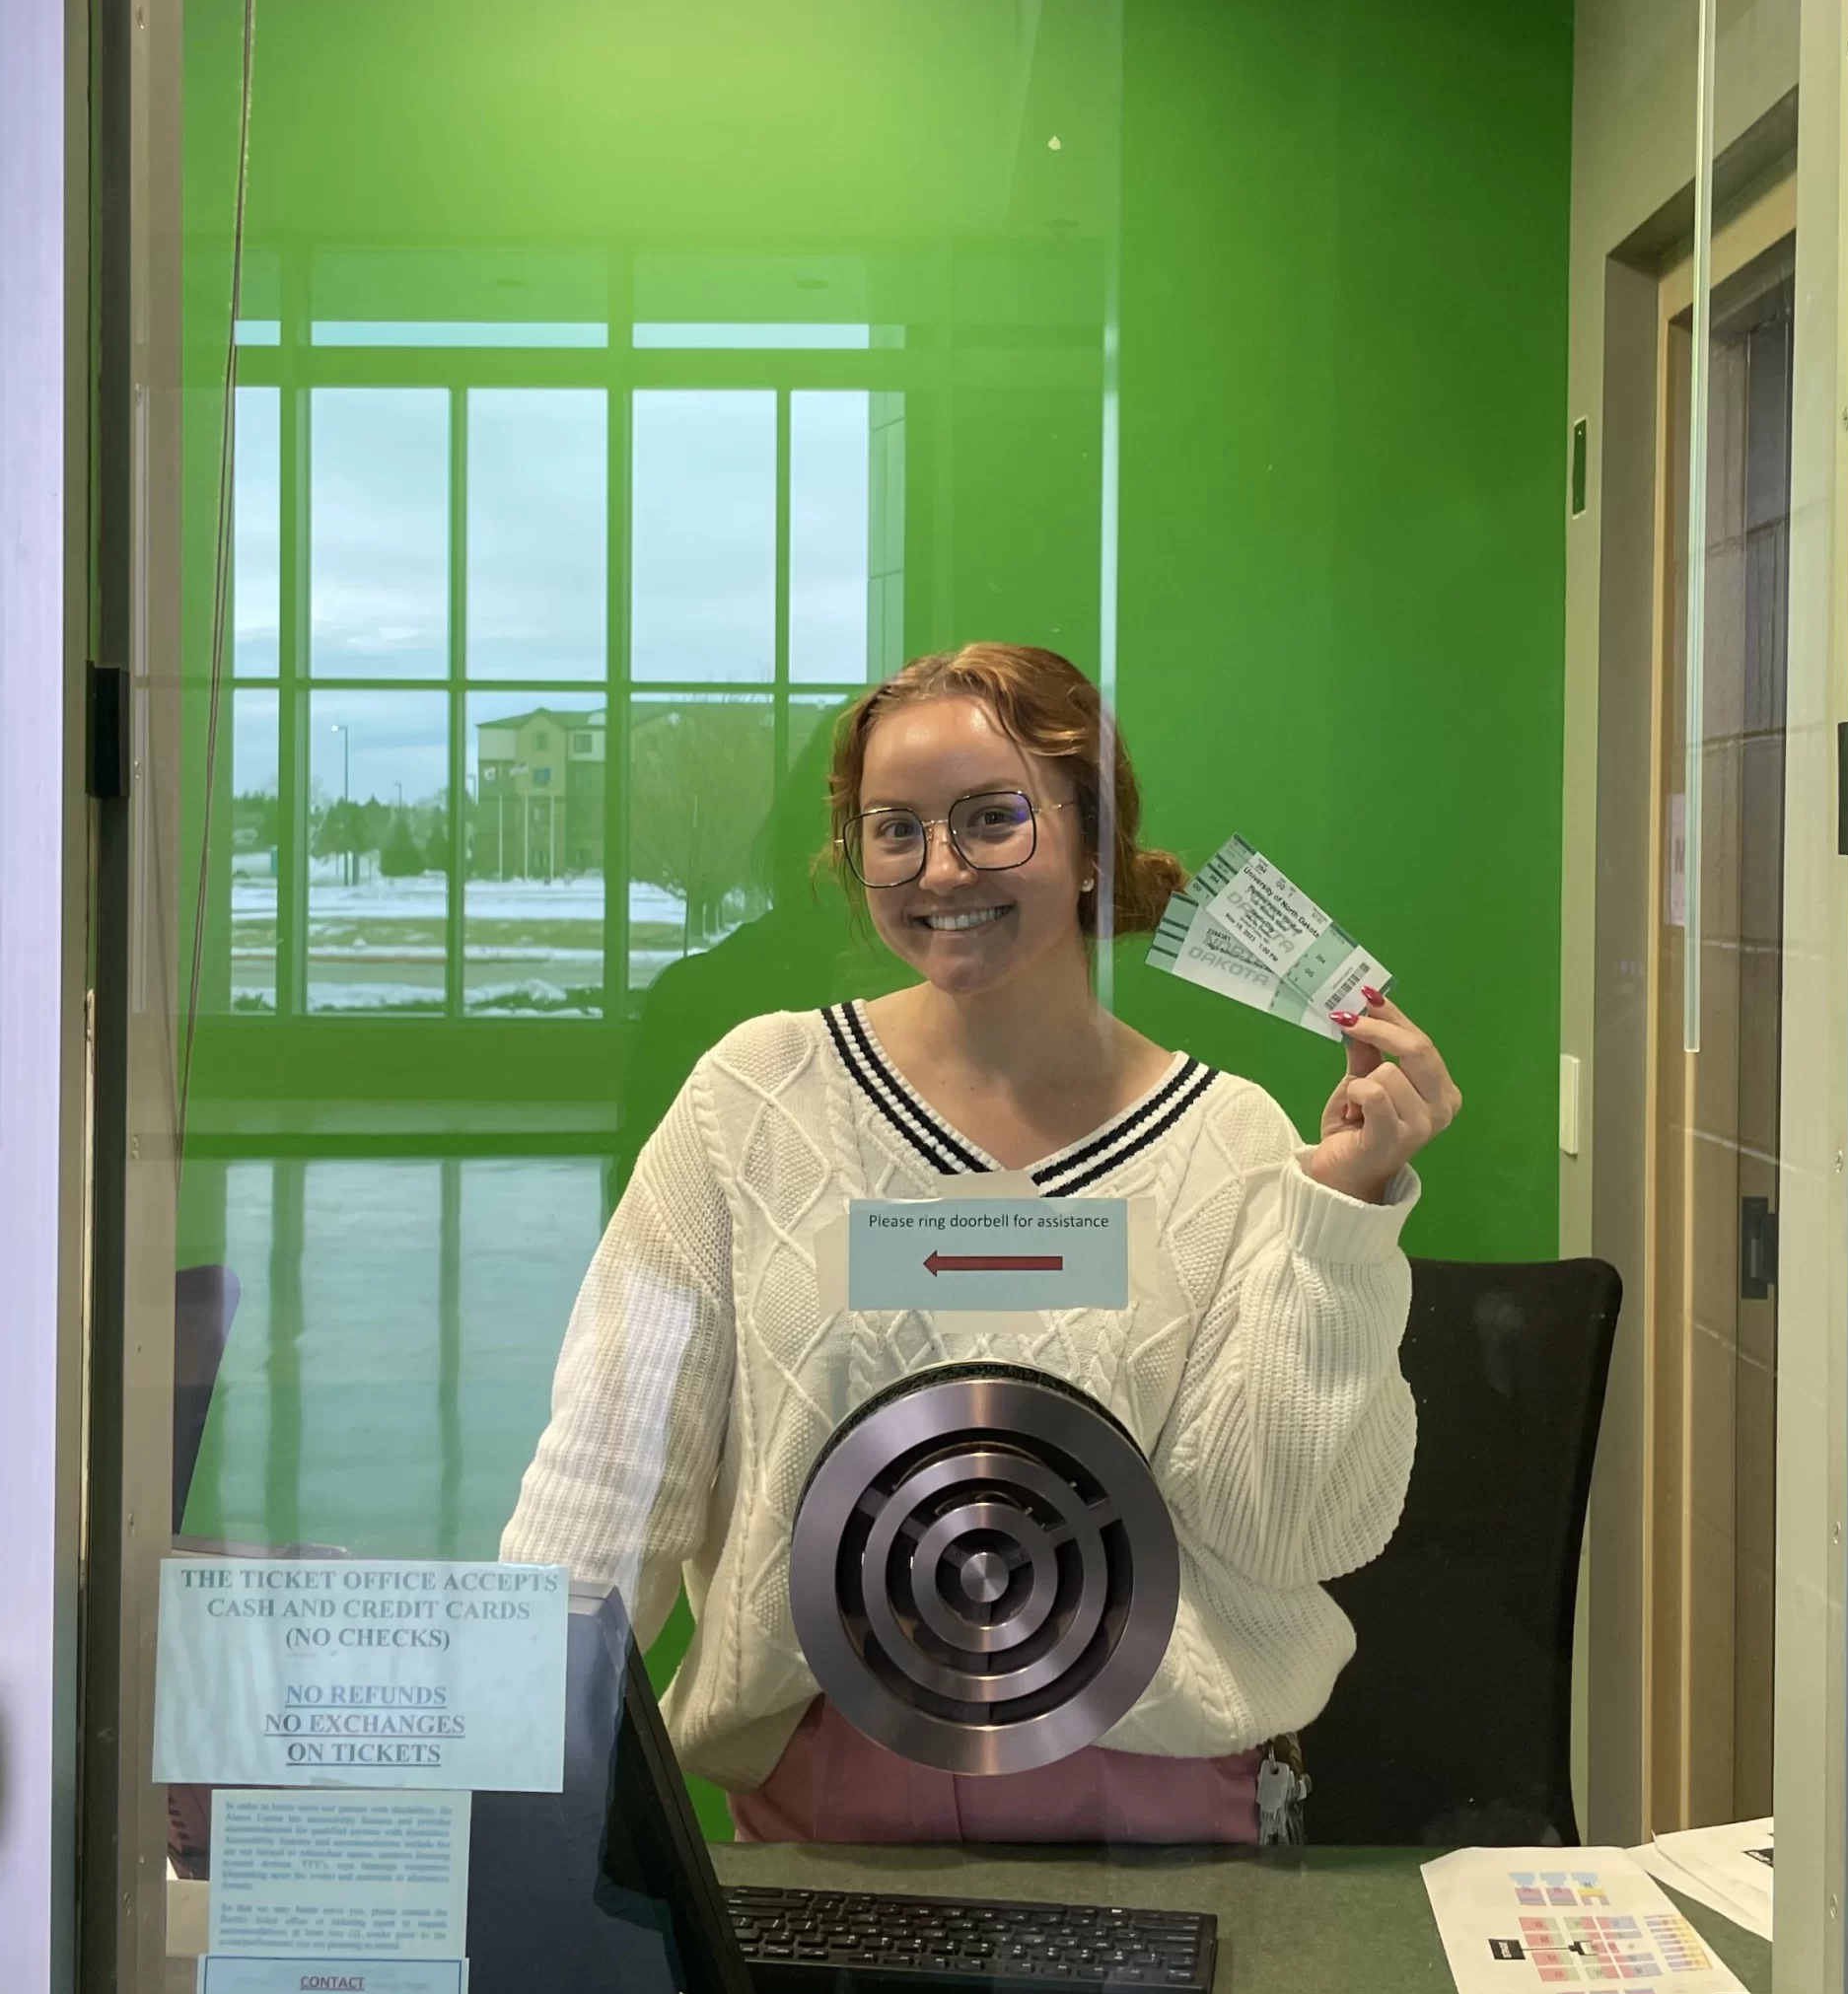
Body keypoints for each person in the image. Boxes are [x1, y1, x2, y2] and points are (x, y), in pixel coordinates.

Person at [502, 642, 1461, 1843]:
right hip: (824, 1804)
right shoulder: (752, 1101)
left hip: (1157, 1813)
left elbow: (1275, 1526)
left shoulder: (1229, 1140)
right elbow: (610, 1471)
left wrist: (1344, 1219)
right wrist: (497, 1775)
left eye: (992, 818)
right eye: (891, 828)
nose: (939, 867)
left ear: (1093, 843)